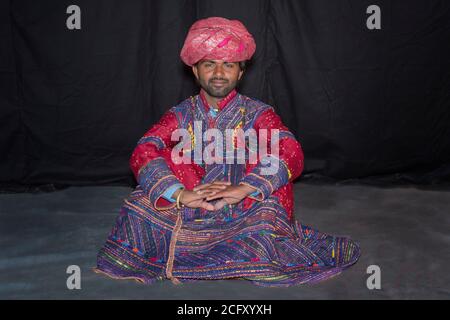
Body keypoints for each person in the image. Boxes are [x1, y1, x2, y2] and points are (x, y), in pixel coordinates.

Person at [94, 16, 360, 287]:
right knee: (140, 201)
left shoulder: (259, 113)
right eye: (209, 64)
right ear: (196, 71)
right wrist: (181, 194)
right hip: (191, 205)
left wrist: (244, 188)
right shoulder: (180, 114)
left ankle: (221, 247)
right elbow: (144, 149)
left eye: (228, 65)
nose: (219, 73)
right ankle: (224, 248)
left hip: (245, 208)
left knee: (268, 208)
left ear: (240, 73)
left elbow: (290, 150)